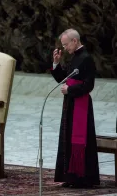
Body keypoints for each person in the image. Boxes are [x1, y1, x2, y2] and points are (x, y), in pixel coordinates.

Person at [51, 28, 100, 188]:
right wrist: (56, 63)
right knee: (67, 139)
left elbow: (89, 85)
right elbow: (63, 79)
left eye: (66, 45)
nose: (64, 48)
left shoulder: (86, 58)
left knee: (80, 140)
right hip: (70, 103)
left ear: (74, 41)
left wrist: (70, 90)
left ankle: (83, 179)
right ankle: (71, 177)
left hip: (81, 105)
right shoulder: (74, 58)